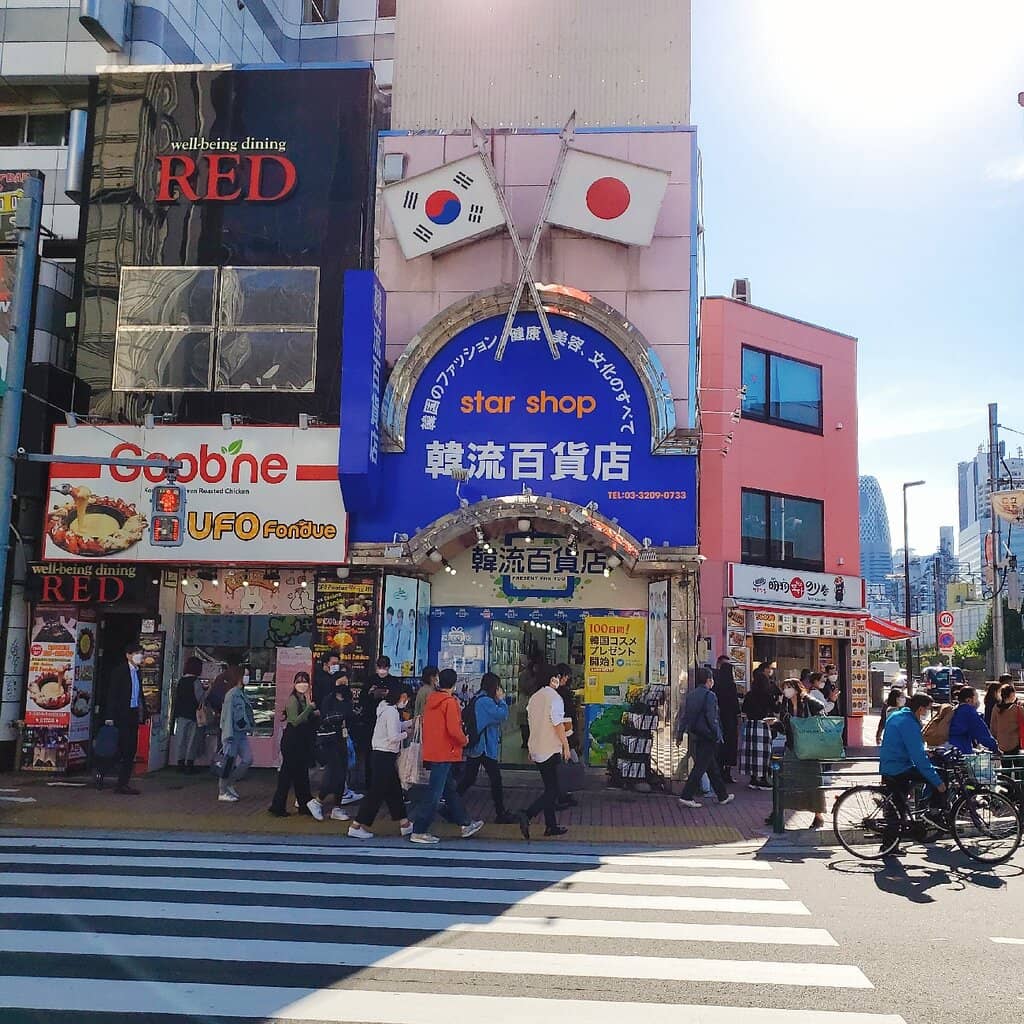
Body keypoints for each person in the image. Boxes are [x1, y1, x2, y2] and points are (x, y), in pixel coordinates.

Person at [410, 668, 484, 844]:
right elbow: (454, 730)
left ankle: (465, 823)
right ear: (454, 683)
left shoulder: (432, 700)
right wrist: (464, 740)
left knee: (449, 790)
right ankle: (419, 829)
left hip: (434, 750)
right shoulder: (450, 702)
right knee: (435, 795)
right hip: (446, 752)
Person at [348, 684, 415, 839]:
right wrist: (406, 734)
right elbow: (393, 736)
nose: (406, 701)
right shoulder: (391, 712)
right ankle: (356, 825)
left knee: (394, 791)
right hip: (385, 755)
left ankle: (405, 823)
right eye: (406, 698)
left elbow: (394, 728)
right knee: (376, 793)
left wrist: (410, 723)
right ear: (402, 696)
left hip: (380, 754)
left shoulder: (385, 708)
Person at [879, 693, 947, 838]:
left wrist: (923, 751)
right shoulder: (909, 723)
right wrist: (937, 782)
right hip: (899, 767)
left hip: (890, 763)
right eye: (927, 709)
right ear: (920, 709)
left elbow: (906, 745)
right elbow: (919, 758)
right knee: (940, 775)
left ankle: (889, 845)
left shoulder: (898, 716)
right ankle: (933, 813)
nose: (928, 713)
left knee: (897, 808)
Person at [518, 664, 571, 839]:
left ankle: (551, 825)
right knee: (553, 790)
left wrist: (530, 746)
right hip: (550, 748)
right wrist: (566, 746)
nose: (558, 680)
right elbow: (558, 725)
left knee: (549, 787)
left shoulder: (534, 698)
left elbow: (532, 723)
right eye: (555, 677)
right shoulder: (554, 698)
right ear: (551, 678)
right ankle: (528, 814)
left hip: (537, 748)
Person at [457, 672, 515, 823]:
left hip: (476, 745)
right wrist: (501, 700)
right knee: (495, 779)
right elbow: (502, 715)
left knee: (469, 778)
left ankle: (451, 803)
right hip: (484, 747)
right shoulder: (487, 702)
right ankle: (500, 813)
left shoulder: (477, 697)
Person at [309, 665, 362, 822]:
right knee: (334, 772)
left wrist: (354, 715)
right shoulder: (328, 699)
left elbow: (351, 718)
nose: (343, 686)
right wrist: (344, 715)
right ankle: (317, 801)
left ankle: (336, 807)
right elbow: (326, 717)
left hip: (342, 738)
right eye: (340, 683)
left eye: (346, 683)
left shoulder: (347, 699)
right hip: (328, 740)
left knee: (342, 773)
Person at [675, 667, 734, 808]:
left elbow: (684, 717)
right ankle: (686, 795)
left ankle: (722, 795)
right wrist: (717, 734)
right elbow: (712, 717)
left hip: (696, 734)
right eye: (711, 679)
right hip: (708, 736)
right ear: (709, 680)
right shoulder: (710, 696)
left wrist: (679, 734)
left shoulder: (691, 695)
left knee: (711, 766)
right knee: (701, 767)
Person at [100, 642, 150, 795]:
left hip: (133, 713)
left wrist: (144, 713)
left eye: (141, 653)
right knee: (122, 748)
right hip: (121, 714)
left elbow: (139, 694)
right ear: (128, 655)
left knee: (130, 749)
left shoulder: (138, 672)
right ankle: (107, 774)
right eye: (137, 653)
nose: (140, 656)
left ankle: (123, 783)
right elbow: (112, 695)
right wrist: (110, 716)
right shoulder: (120, 671)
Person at [776, 677, 825, 829]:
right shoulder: (785, 704)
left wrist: (806, 699)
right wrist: (774, 724)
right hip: (792, 746)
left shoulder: (807, 701)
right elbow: (785, 728)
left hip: (809, 747)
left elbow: (821, 708)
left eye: (789, 687)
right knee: (789, 780)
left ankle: (818, 815)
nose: (786, 691)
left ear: (797, 688)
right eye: (784, 688)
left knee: (813, 781)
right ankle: (779, 813)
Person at [269, 672, 320, 817]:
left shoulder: (304, 698)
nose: (302, 684)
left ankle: (304, 804)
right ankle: (278, 806)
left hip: (301, 741)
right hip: (292, 741)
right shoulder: (293, 700)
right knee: (287, 775)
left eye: (305, 681)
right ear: (294, 683)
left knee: (301, 775)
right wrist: (310, 709)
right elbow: (295, 721)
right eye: (299, 681)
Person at [218, 667, 255, 802]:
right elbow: (227, 716)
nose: (247, 677)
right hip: (232, 734)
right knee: (228, 762)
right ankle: (222, 791)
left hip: (241, 733)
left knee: (248, 759)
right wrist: (227, 735)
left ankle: (230, 783)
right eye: (245, 674)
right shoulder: (232, 695)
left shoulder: (240, 693)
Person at [740, 667, 777, 791]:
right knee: (764, 753)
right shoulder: (767, 695)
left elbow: (744, 710)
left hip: (750, 726)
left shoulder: (750, 695)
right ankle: (763, 779)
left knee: (752, 753)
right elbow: (775, 708)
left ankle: (753, 779)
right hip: (763, 725)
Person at [554, 663, 580, 809]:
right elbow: (566, 719)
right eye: (566, 676)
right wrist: (570, 741)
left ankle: (563, 794)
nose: (567, 679)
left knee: (565, 765)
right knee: (569, 764)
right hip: (565, 736)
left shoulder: (554, 693)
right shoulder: (561, 694)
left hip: (561, 736)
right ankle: (562, 795)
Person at [173, 656, 204, 773]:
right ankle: (189, 764)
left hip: (181, 713)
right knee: (192, 740)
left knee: (181, 740)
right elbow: (200, 698)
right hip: (193, 714)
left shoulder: (181, 681)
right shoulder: (195, 681)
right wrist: (209, 690)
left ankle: (179, 763)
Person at [713, 655, 741, 783]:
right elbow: (735, 704)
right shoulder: (731, 685)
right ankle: (727, 773)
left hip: (719, 718)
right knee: (730, 745)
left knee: (720, 746)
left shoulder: (716, 683)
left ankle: (719, 771)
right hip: (730, 720)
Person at [947, 686, 999, 756]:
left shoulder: (957, 709)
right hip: (960, 750)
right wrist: (996, 748)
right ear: (968, 700)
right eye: (976, 698)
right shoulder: (969, 712)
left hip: (951, 747)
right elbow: (981, 733)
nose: (978, 702)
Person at [990, 682, 1024, 755]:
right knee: (1018, 765)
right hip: (1015, 743)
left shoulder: (996, 708)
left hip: (1001, 743)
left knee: (1005, 765)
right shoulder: (1017, 709)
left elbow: (993, 727)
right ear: (1012, 695)